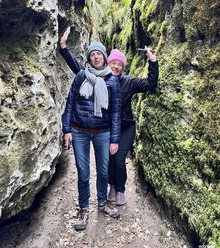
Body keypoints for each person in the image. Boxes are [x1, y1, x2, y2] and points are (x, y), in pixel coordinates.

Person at [60, 26, 158, 207]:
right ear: (107, 62)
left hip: (124, 125)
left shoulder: (128, 82)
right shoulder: (94, 77)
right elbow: (76, 68)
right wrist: (64, 48)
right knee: (106, 162)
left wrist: (152, 60)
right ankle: (109, 189)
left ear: (122, 67)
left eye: (119, 64)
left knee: (118, 159)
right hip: (103, 128)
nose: (115, 66)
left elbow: (151, 83)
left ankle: (118, 189)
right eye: (113, 63)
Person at [62, 40, 121, 231]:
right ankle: (84, 208)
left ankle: (102, 203)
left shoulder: (112, 80)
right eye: (92, 54)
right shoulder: (81, 76)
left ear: (104, 57)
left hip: (103, 133)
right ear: (89, 58)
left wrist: (114, 139)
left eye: (99, 54)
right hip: (79, 131)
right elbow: (70, 102)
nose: (96, 57)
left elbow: (115, 113)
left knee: (103, 172)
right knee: (83, 174)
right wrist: (67, 130)